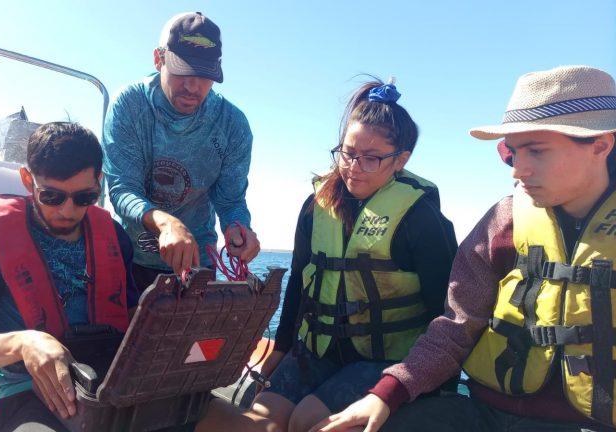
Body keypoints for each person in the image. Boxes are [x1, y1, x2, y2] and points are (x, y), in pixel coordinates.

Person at [311, 65, 616, 432]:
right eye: (512, 153)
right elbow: (456, 327)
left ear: (600, 144)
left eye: (536, 151)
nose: (517, 171)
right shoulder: (503, 220)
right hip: (483, 414)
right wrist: (385, 394)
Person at [197, 78, 458, 432]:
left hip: (387, 358)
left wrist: (432, 388)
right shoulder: (317, 205)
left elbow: (446, 313)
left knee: (308, 420)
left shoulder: (421, 218)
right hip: (319, 350)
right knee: (263, 417)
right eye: (348, 153)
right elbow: (300, 282)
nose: (353, 167)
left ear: (401, 160)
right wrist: (281, 348)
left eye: (371, 159)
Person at [0, 122, 140, 432]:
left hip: (114, 387)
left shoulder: (114, 235)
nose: (67, 210)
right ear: (27, 180)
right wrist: (24, 343)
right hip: (33, 395)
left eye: (84, 197)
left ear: (99, 183)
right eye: (52, 196)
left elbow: (133, 320)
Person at [103, 11, 260, 291]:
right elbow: (121, 188)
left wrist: (238, 227)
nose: (192, 85)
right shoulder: (129, 105)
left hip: (198, 266)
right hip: (131, 259)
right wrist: (165, 223)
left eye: (204, 75)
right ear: (158, 58)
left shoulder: (233, 125)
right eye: (181, 70)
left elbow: (231, 200)